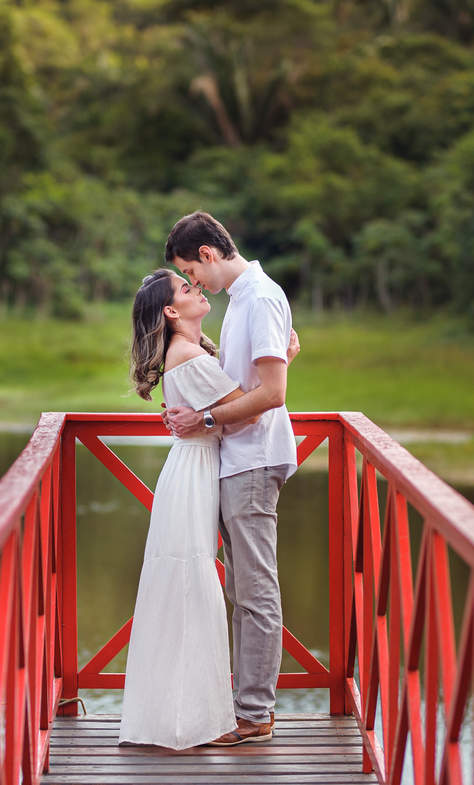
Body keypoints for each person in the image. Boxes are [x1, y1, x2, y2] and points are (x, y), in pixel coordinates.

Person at [118, 268, 299, 750]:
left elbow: (236, 404)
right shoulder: (188, 355)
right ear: (172, 312)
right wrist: (286, 360)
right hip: (198, 473)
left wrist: (280, 360)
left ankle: (198, 708)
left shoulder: (196, 352)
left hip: (201, 470)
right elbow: (255, 404)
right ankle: (206, 711)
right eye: (186, 287)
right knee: (194, 585)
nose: (197, 289)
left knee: (198, 585)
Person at [163, 211, 298, 747]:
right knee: (242, 587)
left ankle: (256, 715)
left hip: (253, 458)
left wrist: (205, 419)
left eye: (191, 273)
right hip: (237, 456)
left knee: (255, 590)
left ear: (208, 255)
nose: (195, 284)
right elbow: (257, 381)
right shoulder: (244, 301)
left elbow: (273, 395)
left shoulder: (259, 298)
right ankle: (248, 709)